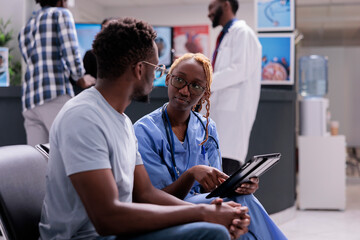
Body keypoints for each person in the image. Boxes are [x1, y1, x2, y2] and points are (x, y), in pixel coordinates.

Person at [38, 17, 250, 240]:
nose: (158, 74)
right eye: (156, 67)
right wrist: (201, 213)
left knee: (215, 226)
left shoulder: (122, 122)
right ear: (140, 70)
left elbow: (146, 194)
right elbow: (107, 217)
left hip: (115, 232)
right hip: (88, 237)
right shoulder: (83, 117)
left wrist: (208, 212)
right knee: (211, 234)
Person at [134, 53, 287, 240]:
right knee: (241, 206)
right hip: (172, 210)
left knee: (242, 212)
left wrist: (237, 185)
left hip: (204, 203)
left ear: (205, 93)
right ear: (168, 79)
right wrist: (192, 174)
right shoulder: (144, 131)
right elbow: (152, 198)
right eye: (179, 80)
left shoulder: (208, 128)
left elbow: (214, 190)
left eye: (196, 86)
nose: (184, 91)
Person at [18, 0, 95, 146]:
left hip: (30, 101)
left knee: (38, 159)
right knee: (71, 151)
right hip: (54, 95)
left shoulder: (26, 27)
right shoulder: (61, 14)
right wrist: (80, 77)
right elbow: (71, 52)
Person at [206, 0, 262, 167]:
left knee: (226, 175)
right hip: (220, 118)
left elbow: (239, 70)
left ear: (225, 4)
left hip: (232, 121)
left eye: (211, 7)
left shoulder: (243, 33)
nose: (208, 13)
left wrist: (204, 82)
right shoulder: (226, 36)